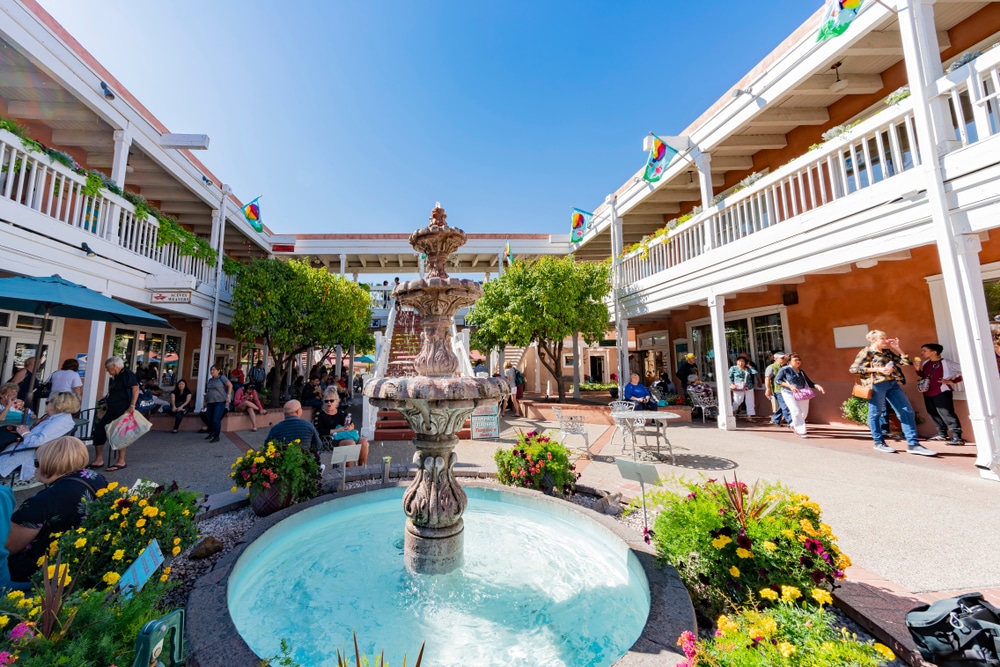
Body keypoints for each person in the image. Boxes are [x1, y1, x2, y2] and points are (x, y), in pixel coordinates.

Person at [6, 436, 107, 584]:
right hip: (81, 557)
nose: (35, 467)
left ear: (51, 464)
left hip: (40, 570)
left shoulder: (42, 501)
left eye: (37, 463)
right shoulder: (96, 478)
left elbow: (9, 547)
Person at [849, 330, 937, 456]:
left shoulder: (886, 351)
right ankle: (879, 442)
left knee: (907, 411)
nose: (886, 341)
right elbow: (854, 369)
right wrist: (878, 369)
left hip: (893, 384)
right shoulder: (866, 352)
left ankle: (913, 444)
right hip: (877, 385)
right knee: (875, 413)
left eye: (886, 338)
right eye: (883, 338)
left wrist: (898, 348)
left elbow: (906, 363)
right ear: (873, 340)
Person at [0, 391, 81, 486]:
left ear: (56, 405)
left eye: (48, 402)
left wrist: (25, 432)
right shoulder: (57, 418)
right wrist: (24, 430)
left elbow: (36, 442)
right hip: (26, 449)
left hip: (29, 454)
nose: (47, 404)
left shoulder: (60, 422)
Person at [91, 356, 139, 472]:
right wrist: (105, 404)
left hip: (123, 409)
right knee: (99, 431)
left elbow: (135, 389)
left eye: (107, 368)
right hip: (112, 409)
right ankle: (99, 460)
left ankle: (121, 461)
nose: (107, 370)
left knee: (120, 433)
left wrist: (132, 405)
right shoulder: (116, 377)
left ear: (114, 366)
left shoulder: (127, 374)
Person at [915, 343, 965, 446]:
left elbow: (966, 370)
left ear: (934, 352)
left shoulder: (947, 363)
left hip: (942, 391)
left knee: (947, 413)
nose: (922, 353)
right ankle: (942, 434)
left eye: (924, 351)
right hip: (927, 391)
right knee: (932, 413)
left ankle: (957, 437)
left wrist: (953, 381)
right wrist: (918, 369)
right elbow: (923, 375)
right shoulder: (926, 363)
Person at [312, 389, 368, 466]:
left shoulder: (341, 412)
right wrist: (337, 430)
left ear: (336, 402)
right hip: (329, 440)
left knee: (363, 441)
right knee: (351, 443)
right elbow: (319, 431)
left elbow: (351, 424)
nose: (329, 403)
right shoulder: (320, 414)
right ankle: (349, 470)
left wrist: (350, 428)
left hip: (345, 436)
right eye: (326, 401)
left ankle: (361, 468)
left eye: (331, 401)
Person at [774, 354, 824, 437]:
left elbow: (809, 382)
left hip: (802, 393)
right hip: (789, 393)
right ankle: (801, 431)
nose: (798, 361)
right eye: (795, 360)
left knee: (804, 413)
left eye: (799, 360)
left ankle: (793, 424)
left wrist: (816, 386)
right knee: (796, 411)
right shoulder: (785, 369)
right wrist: (790, 386)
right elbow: (777, 380)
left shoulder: (801, 371)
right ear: (789, 361)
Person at [203, 366, 232, 444]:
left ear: (218, 371)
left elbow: (230, 385)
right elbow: (208, 391)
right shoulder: (210, 380)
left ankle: (217, 436)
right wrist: (205, 401)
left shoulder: (222, 378)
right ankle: (211, 432)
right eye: (211, 370)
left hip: (219, 401)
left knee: (216, 419)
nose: (212, 371)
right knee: (209, 418)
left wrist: (228, 396)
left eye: (214, 370)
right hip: (210, 402)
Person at [764, 352, 792, 427]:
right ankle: (791, 423)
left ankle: (775, 419)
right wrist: (768, 389)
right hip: (778, 390)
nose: (784, 359)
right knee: (785, 406)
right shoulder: (771, 367)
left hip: (788, 389)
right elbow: (767, 379)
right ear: (775, 359)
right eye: (782, 358)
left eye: (784, 358)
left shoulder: (787, 367)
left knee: (784, 405)